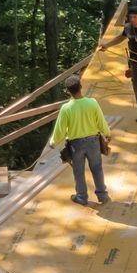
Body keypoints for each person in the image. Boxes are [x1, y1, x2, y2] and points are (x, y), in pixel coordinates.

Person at [50, 76, 112, 205]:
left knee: (78, 171)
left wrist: (53, 142)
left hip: (76, 145)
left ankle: (82, 197)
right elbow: (100, 121)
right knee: (97, 168)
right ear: (81, 87)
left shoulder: (66, 108)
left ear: (68, 91)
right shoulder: (92, 103)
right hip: (93, 142)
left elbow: (60, 130)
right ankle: (103, 196)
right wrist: (107, 133)